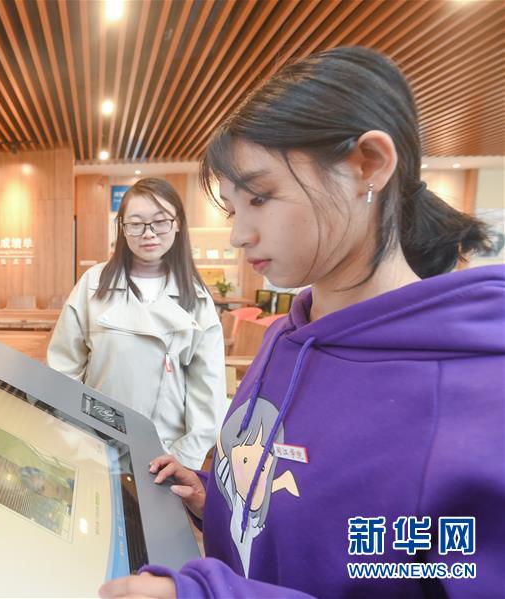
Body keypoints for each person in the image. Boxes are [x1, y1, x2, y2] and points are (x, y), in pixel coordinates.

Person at [99, 46, 503, 598]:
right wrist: (217, 502)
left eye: (260, 198)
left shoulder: (476, 399)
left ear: (368, 165)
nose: (240, 235)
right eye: (234, 209)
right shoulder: (287, 338)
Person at [47, 177, 227, 470]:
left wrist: (184, 458)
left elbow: (208, 388)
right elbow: (63, 368)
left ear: (178, 223)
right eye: (136, 223)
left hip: (166, 452)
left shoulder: (196, 296)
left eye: (160, 222)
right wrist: (72, 437)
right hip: (94, 443)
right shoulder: (93, 284)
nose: (149, 233)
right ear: (122, 228)